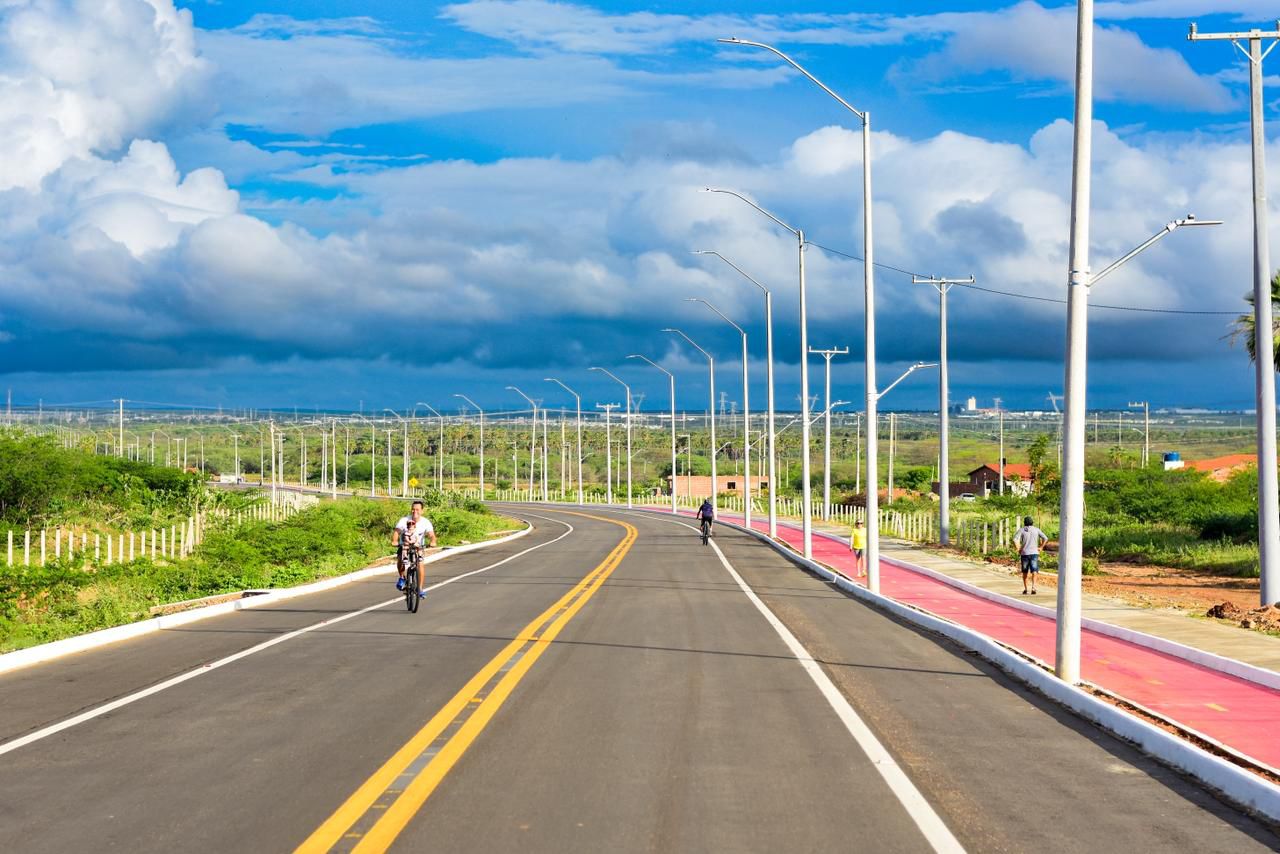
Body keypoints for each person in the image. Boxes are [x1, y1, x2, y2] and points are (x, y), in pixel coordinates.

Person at [393, 500, 438, 596]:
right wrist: (395, 541)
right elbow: (397, 532)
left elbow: (431, 534)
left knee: (420, 564)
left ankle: (420, 589)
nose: (415, 512)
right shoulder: (404, 520)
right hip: (405, 546)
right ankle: (402, 578)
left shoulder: (426, 522)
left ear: (422, 511)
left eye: (417, 509)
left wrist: (433, 541)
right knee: (400, 558)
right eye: (413, 509)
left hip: (418, 547)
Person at [1013, 515, 1048, 595]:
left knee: (1025, 572)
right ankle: (1033, 587)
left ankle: (1025, 589)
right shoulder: (1036, 530)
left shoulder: (1021, 530)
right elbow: (1045, 538)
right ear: (1032, 522)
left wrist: (1018, 549)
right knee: (1034, 570)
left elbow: (1015, 539)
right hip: (1034, 553)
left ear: (1024, 523)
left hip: (1024, 553)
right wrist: (1041, 547)